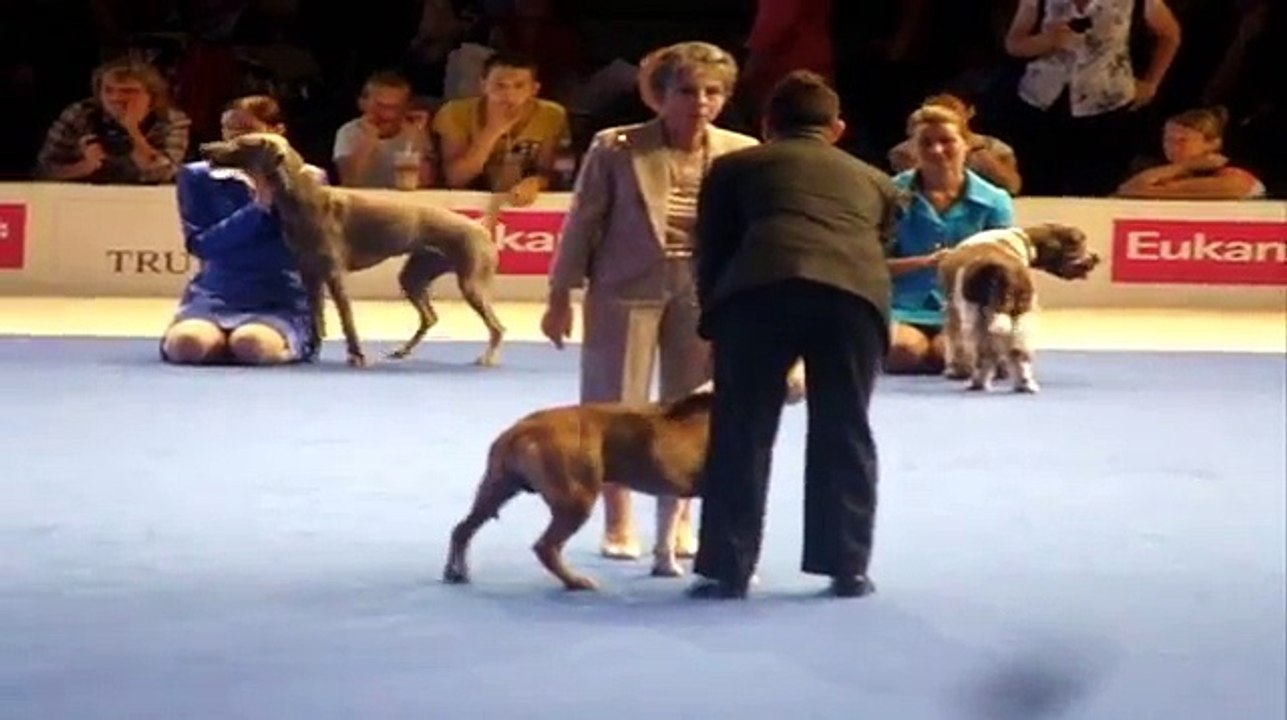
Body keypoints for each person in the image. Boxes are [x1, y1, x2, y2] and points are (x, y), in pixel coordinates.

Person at [541, 41, 759, 573]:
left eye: (713, 92)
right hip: (623, 285)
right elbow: (582, 223)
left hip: (703, 289)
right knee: (616, 404)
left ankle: (678, 518)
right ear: (660, 95)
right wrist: (558, 295)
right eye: (687, 91)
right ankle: (619, 519)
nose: (701, 101)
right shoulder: (616, 147)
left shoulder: (743, 151)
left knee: (689, 412)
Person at [688, 70, 902, 599]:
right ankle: (847, 565)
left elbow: (712, 250)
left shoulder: (735, 167)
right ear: (837, 128)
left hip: (758, 293)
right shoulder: (877, 180)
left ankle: (728, 567)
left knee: (742, 430)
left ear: (767, 125)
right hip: (853, 299)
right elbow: (879, 245)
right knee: (844, 427)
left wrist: (712, 320)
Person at [160, 95, 325, 366]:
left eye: (247, 131)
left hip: (279, 296)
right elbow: (201, 244)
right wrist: (259, 207)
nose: (235, 140)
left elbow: (306, 247)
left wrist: (279, 197)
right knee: (186, 346)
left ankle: (293, 344)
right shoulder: (198, 176)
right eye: (228, 131)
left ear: (277, 132)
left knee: (252, 345)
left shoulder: (309, 178)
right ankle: (215, 337)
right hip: (216, 293)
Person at [885, 104, 1014, 376]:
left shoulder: (995, 201)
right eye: (926, 142)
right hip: (903, 306)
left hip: (969, 307)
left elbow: (1005, 270)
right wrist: (922, 263)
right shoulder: (888, 194)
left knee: (951, 354)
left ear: (966, 143)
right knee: (903, 353)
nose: (937, 150)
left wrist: (961, 264)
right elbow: (870, 263)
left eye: (947, 141)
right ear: (912, 148)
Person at [433, 49, 571, 205]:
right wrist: (492, 131)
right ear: (483, 85)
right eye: (500, 86)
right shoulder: (454, 113)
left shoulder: (552, 115)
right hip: (470, 200)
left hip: (525, 202)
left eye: (519, 86)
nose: (508, 95)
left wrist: (536, 182)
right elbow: (455, 179)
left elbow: (555, 174)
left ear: (534, 89)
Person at [1115, 106, 1266, 199]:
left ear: (1212, 143)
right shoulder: (1168, 171)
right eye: (1168, 140)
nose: (1172, 146)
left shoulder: (1231, 173)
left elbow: (1236, 188)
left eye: (1182, 140)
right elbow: (1127, 189)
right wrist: (1182, 167)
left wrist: (1184, 167)